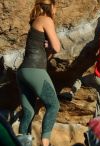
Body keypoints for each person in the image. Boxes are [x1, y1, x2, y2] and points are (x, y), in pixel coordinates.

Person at [16, 0, 61, 146]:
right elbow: (57, 47)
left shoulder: (35, 22)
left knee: (28, 112)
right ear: (52, 7)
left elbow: (47, 53)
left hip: (23, 72)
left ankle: (21, 142)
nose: (56, 11)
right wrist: (53, 47)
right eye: (56, 8)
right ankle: (45, 143)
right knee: (53, 105)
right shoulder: (46, 19)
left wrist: (49, 49)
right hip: (35, 70)